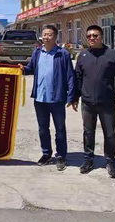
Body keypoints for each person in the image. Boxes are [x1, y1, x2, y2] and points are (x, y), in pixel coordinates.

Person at [19, 25, 75, 171]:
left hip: (57, 98)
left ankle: (61, 156)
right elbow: (30, 68)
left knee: (60, 129)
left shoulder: (63, 54)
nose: (46, 37)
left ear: (55, 37)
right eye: (44, 34)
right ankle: (46, 153)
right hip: (40, 98)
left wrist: (71, 96)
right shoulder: (37, 52)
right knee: (43, 129)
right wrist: (22, 69)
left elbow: (70, 76)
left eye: (49, 34)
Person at [73, 25, 115, 179]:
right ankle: (88, 160)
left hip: (107, 102)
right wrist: (75, 97)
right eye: (89, 36)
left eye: (95, 35)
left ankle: (110, 162)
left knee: (109, 134)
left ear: (101, 37)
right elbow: (78, 78)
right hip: (88, 102)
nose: (92, 38)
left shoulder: (112, 54)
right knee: (88, 132)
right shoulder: (82, 56)